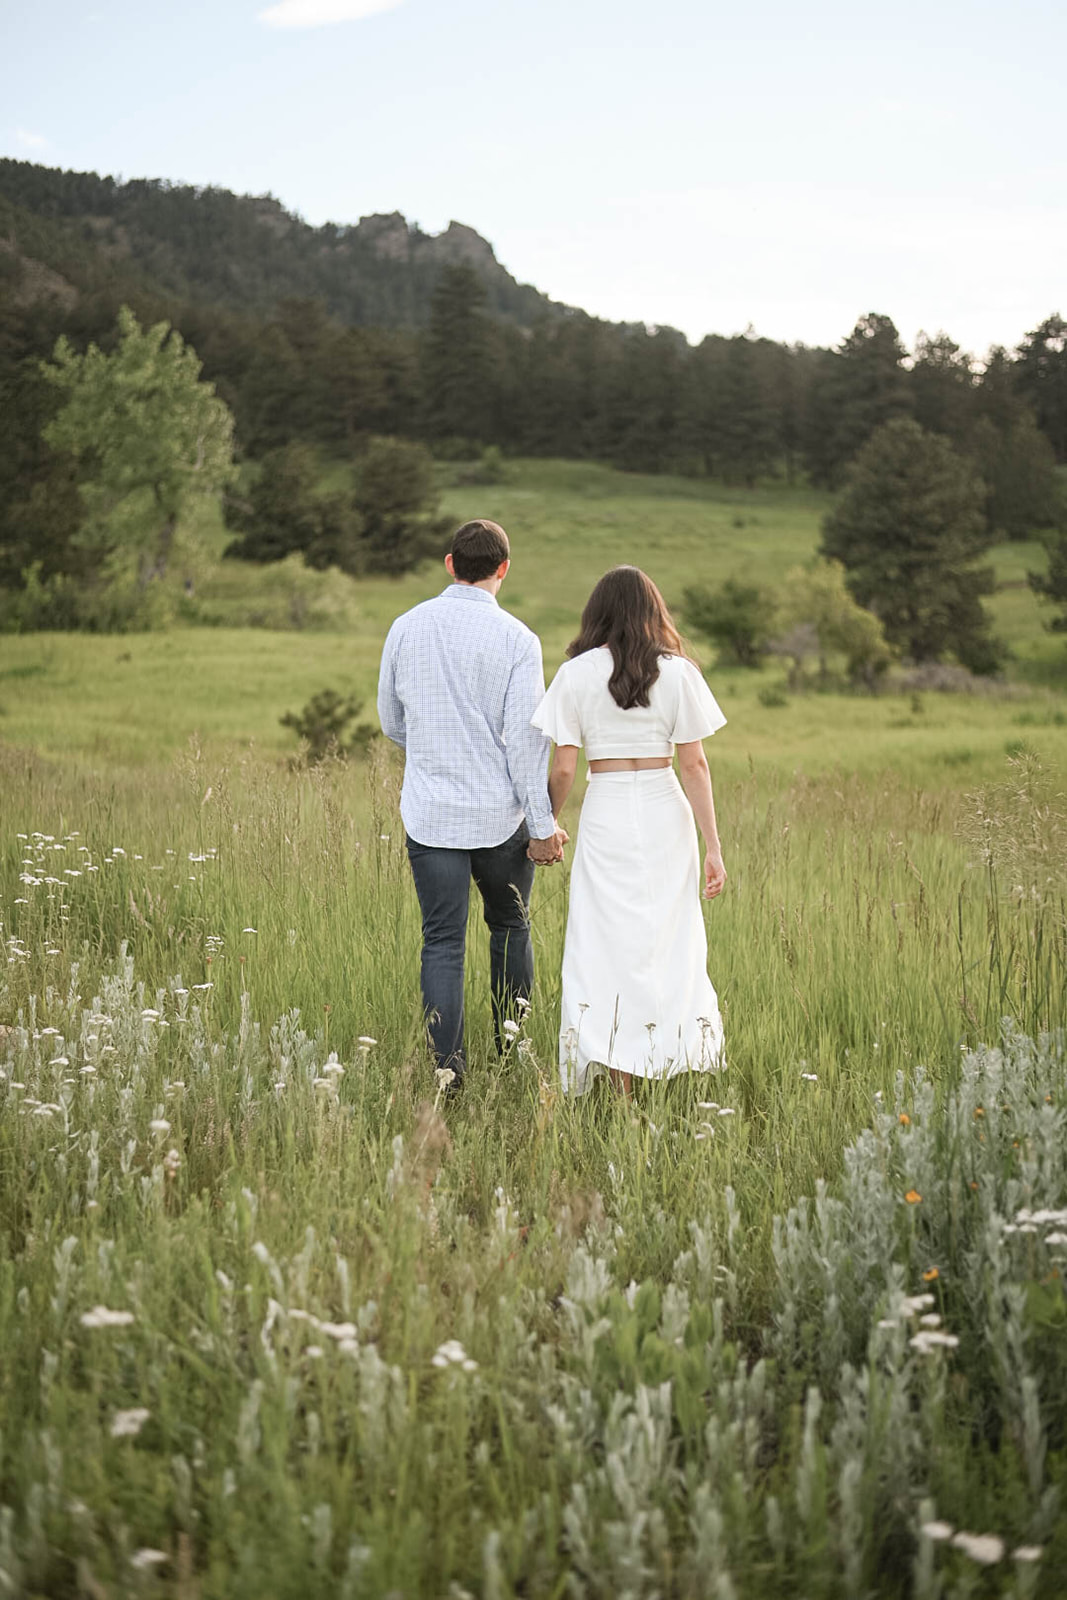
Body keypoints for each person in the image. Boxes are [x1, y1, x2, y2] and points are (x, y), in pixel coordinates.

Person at [377, 519, 567, 1089]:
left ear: (449, 563)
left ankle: (448, 1074)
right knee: (510, 926)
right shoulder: (518, 640)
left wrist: (437, 750)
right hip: (499, 819)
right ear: (503, 568)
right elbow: (528, 743)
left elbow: (391, 722)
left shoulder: (406, 627)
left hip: (432, 815)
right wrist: (542, 824)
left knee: (441, 940)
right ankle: (511, 1055)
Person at [531, 566, 727, 1096]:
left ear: (597, 613)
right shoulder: (679, 672)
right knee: (670, 940)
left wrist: (544, 825)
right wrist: (713, 847)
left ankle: (616, 1069)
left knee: (603, 943)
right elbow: (696, 767)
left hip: (608, 808)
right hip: (666, 809)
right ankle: (668, 1059)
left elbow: (566, 768)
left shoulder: (574, 674)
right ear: (652, 611)